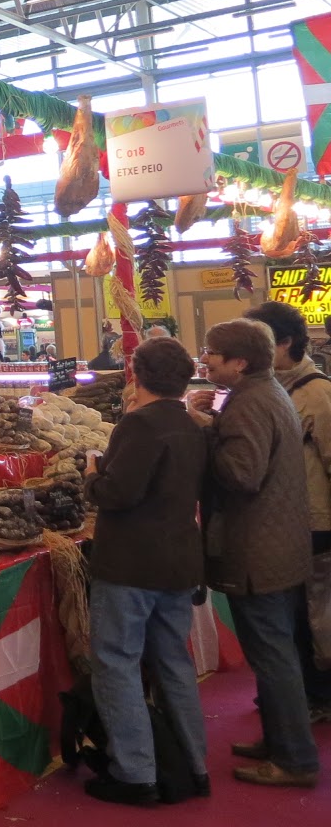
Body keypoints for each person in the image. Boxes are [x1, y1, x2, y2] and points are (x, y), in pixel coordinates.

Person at [189, 319, 318, 788]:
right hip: (276, 544)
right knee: (276, 653)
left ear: (240, 362)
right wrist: (215, 422)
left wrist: (205, 431)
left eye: (212, 353)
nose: (205, 359)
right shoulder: (266, 392)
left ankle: (295, 760)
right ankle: (282, 741)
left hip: (256, 549)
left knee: (273, 656)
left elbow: (242, 475)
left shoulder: (250, 403)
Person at [82, 337, 210, 804]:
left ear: (136, 375)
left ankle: (136, 774)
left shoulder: (139, 424)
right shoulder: (192, 424)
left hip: (131, 564)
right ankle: (196, 766)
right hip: (179, 560)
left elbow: (118, 493)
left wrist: (92, 475)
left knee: (117, 663)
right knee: (174, 663)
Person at [243, 301, 331, 721]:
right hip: (283, 522)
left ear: (285, 343)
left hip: (317, 522)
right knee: (292, 614)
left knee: (315, 614)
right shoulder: (268, 389)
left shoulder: (317, 392)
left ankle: (318, 696)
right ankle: (299, 697)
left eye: (259, 343)